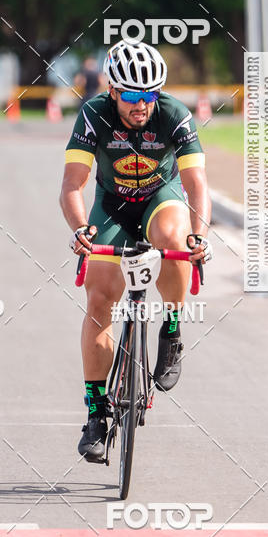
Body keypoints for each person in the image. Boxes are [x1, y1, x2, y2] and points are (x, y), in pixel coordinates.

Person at [60, 40, 212, 462]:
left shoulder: (175, 115)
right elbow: (72, 185)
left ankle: (173, 327)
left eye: (149, 95)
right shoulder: (94, 115)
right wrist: (81, 231)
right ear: (112, 90)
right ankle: (96, 411)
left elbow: (197, 186)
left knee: (174, 236)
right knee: (98, 300)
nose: (141, 104)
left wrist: (198, 237)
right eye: (131, 95)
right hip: (111, 206)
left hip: (158, 199)